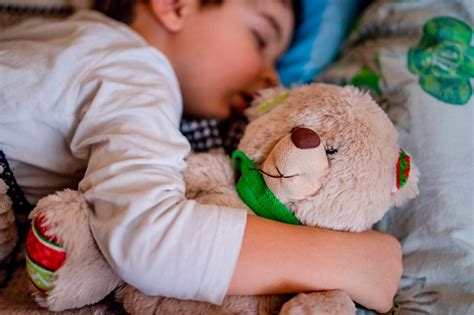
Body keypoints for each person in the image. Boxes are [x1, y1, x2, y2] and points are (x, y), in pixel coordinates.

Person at [0, 0, 401, 312]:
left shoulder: (64, 41)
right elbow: (148, 236)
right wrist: (349, 259)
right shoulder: (133, 68)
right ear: (175, 5)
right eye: (260, 38)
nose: (273, 78)